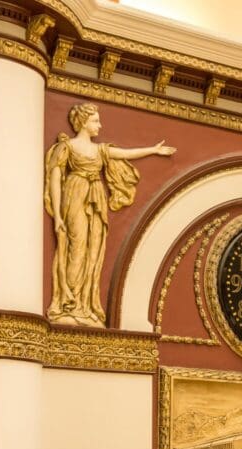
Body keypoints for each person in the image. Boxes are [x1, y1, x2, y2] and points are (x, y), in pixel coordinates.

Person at [44, 103, 176, 327]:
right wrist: (57, 215)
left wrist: (153, 150)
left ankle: (84, 306)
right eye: (95, 120)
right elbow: (55, 181)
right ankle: (69, 302)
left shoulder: (100, 150)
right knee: (77, 247)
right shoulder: (66, 147)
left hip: (96, 196)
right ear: (83, 122)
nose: (100, 125)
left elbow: (125, 154)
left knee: (93, 249)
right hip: (75, 194)